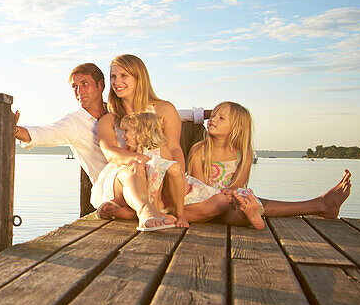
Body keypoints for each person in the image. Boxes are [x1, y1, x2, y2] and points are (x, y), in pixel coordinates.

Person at [91, 54, 234, 231]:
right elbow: (110, 152)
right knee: (135, 169)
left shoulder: (164, 109)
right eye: (113, 76)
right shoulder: (109, 119)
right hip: (125, 179)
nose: (117, 81)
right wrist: (140, 159)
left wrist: (180, 177)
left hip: (161, 173)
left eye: (123, 75)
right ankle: (144, 211)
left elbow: (174, 148)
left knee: (219, 203)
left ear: (139, 77)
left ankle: (135, 213)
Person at [188, 101, 352, 226]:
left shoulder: (244, 154)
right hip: (208, 205)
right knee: (252, 204)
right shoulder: (199, 151)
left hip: (232, 202)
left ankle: (252, 215)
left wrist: (234, 195)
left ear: (237, 128)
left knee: (247, 204)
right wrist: (222, 197)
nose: (212, 119)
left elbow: (239, 184)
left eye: (221, 118)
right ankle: (320, 205)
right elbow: (199, 188)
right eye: (213, 116)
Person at [122, 111, 257, 228]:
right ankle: (152, 214)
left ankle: (249, 215)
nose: (123, 136)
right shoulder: (200, 150)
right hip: (161, 199)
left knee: (226, 204)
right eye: (214, 115)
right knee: (222, 206)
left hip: (181, 196)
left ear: (142, 132)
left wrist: (230, 192)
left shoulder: (162, 151)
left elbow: (175, 175)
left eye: (126, 131)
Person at [13, 62, 110, 186]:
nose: (79, 91)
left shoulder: (117, 114)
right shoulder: (74, 123)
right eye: (75, 86)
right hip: (111, 196)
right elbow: (43, 134)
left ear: (100, 85)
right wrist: (14, 129)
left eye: (85, 84)